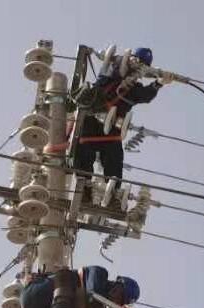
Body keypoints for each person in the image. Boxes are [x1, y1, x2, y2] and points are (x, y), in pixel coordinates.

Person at [73, 47, 174, 203]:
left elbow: (145, 95)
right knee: (83, 153)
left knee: (114, 158)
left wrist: (159, 83)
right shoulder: (112, 71)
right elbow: (115, 66)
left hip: (111, 128)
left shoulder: (133, 89)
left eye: (142, 63)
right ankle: (84, 190)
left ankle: (112, 194)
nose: (136, 64)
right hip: (91, 120)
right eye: (135, 59)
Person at [20, 265, 140, 308]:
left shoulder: (100, 307)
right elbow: (92, 291)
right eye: (121, 296)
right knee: (76, 300)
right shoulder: (101, 273)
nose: (117, 301)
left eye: (121, 301)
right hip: (40, 292)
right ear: (118, 284)